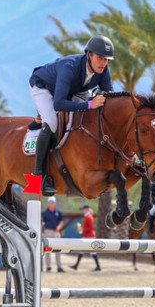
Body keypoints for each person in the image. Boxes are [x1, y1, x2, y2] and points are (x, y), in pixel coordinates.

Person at [29, 35, 115, 196]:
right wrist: (89, 104)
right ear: (88, 55)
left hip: (74, 90)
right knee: (53, 123)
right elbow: (59, 104)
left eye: (106, 60)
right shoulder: (70, 67)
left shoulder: (103, 70)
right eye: (100, 58)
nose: (103, 63)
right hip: (44, 88)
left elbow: (108, 96)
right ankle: (37, 177)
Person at [69, 204, 101, 271]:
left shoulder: (89, 217)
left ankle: (98, 267)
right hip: (87, 236)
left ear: (87, 209)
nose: (82, 210)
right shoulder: (87, 216)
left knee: (92, 251)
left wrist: (82, 230)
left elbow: (91, 228)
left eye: (83, 209)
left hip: (90, 236)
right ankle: (76, 265)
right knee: (82, 250)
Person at [41, 196, 65, 272]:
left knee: (58, 249)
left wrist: (59, 227)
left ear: (55, 203)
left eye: (53, 202)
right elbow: (41, 223)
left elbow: (61, 221)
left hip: (56, 232)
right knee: (47, 250)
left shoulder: (58, 212)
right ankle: (48, 267)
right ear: (48, 203)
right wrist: (42, 232)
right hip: (48, 231)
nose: (51, 204)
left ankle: (59, 267)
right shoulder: (44, 213)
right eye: (50, 202)